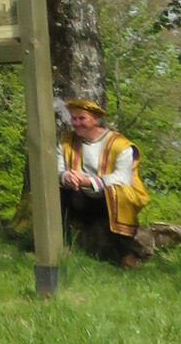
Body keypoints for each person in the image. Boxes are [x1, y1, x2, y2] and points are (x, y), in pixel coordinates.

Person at [59, 98, 150, 263]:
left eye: (82, 118)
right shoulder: (66, 141)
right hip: (79, 197)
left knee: (118, 193)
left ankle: (126, 254)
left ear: (95, 119)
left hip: (107, 200)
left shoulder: (120, 145)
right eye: (74, 119)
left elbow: (123, 177)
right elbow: (58, 169)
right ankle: (63, 246)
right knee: (58, 191)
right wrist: (66, 177)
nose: (77, 123)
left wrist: (89, 182)